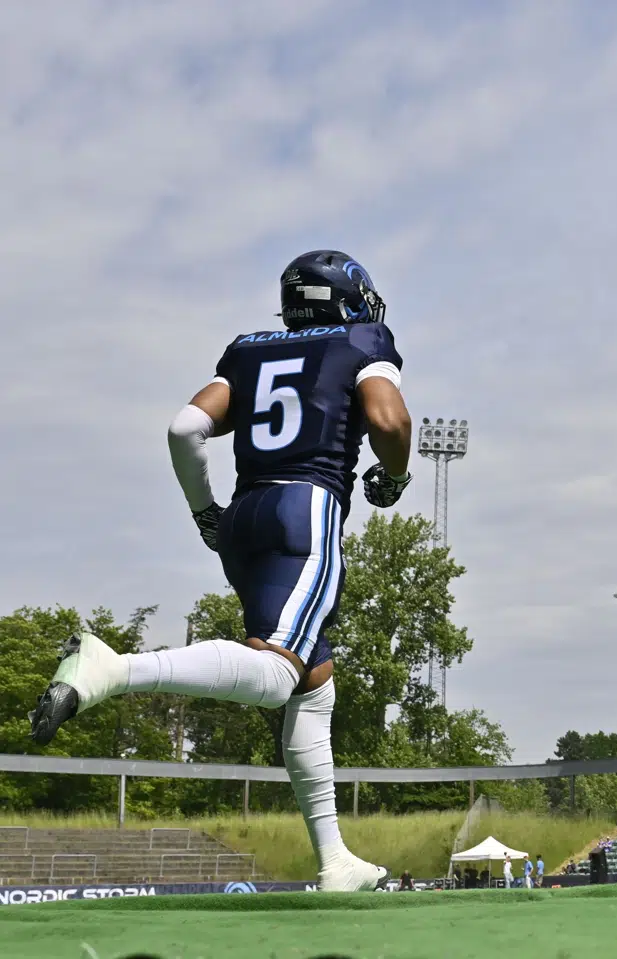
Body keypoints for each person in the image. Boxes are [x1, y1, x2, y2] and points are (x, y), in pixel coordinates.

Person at [28, 251, 409, 893]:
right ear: (347, 300)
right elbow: (389, 420)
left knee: (313, 682)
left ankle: (335, 860)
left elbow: (185, 430)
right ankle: (114, 669)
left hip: (243, 518)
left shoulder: (248, 350)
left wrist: (206, 512)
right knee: (278, 671)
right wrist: (394, 476)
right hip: (303, 511)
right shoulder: (360, 341)